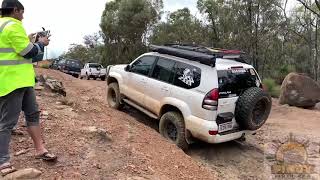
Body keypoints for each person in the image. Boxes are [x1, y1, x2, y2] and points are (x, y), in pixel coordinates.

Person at [0, 0, 56, 176]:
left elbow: (16, 51)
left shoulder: (4, 25)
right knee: (7, 122)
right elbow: (28, 52)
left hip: (22, 80)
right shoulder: (12, 25)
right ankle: (3, 161)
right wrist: (41, 44)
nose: (23, 16)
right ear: (15, 10)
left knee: (32, 113)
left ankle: (40, 149)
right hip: (12, 81)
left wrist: (30, 39)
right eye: (22, 12)